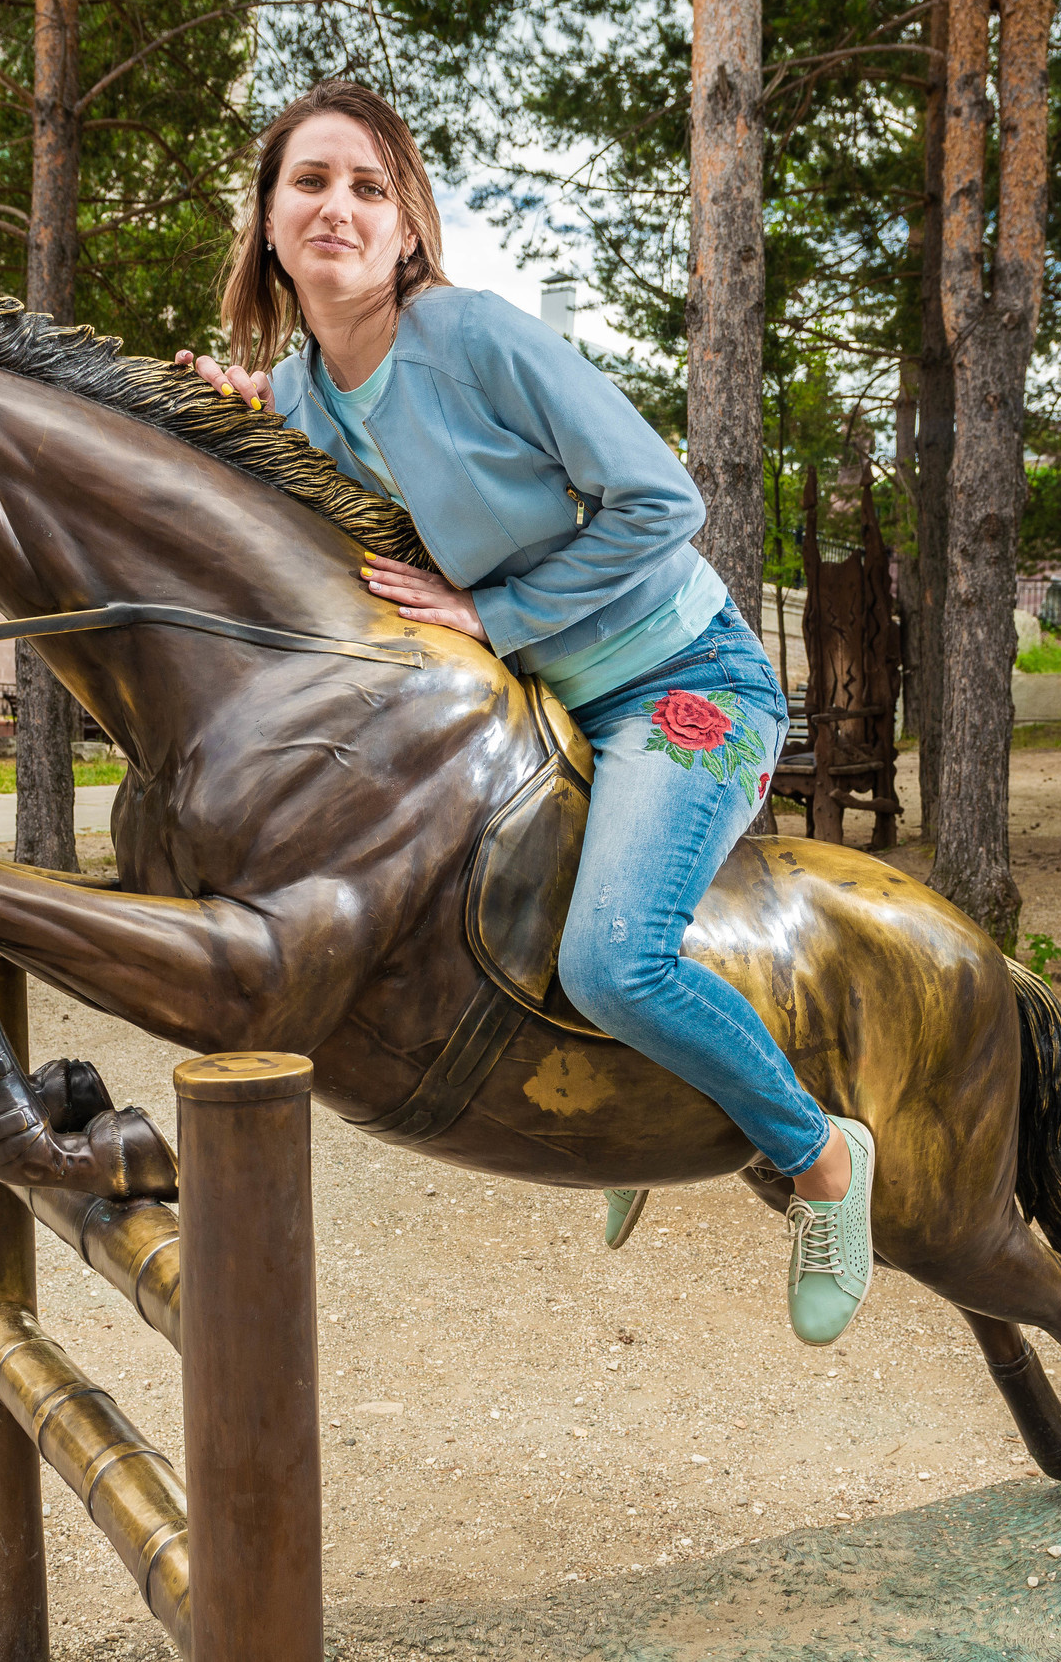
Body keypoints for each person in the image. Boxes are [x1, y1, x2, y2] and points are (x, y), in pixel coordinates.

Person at [175, 81, 876, 1346]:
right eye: (309, 182)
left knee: (612, 958)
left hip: (683, 684)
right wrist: (231, 414)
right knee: (499, 943)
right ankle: (652, 1119)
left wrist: (489, 609)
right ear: (267, 221)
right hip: (539, 702)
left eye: (368, 186)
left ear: (407, 229)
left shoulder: (473, 337)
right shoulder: (302, 394)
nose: (337, 206)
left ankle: (818, 1155)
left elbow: (662, 501)